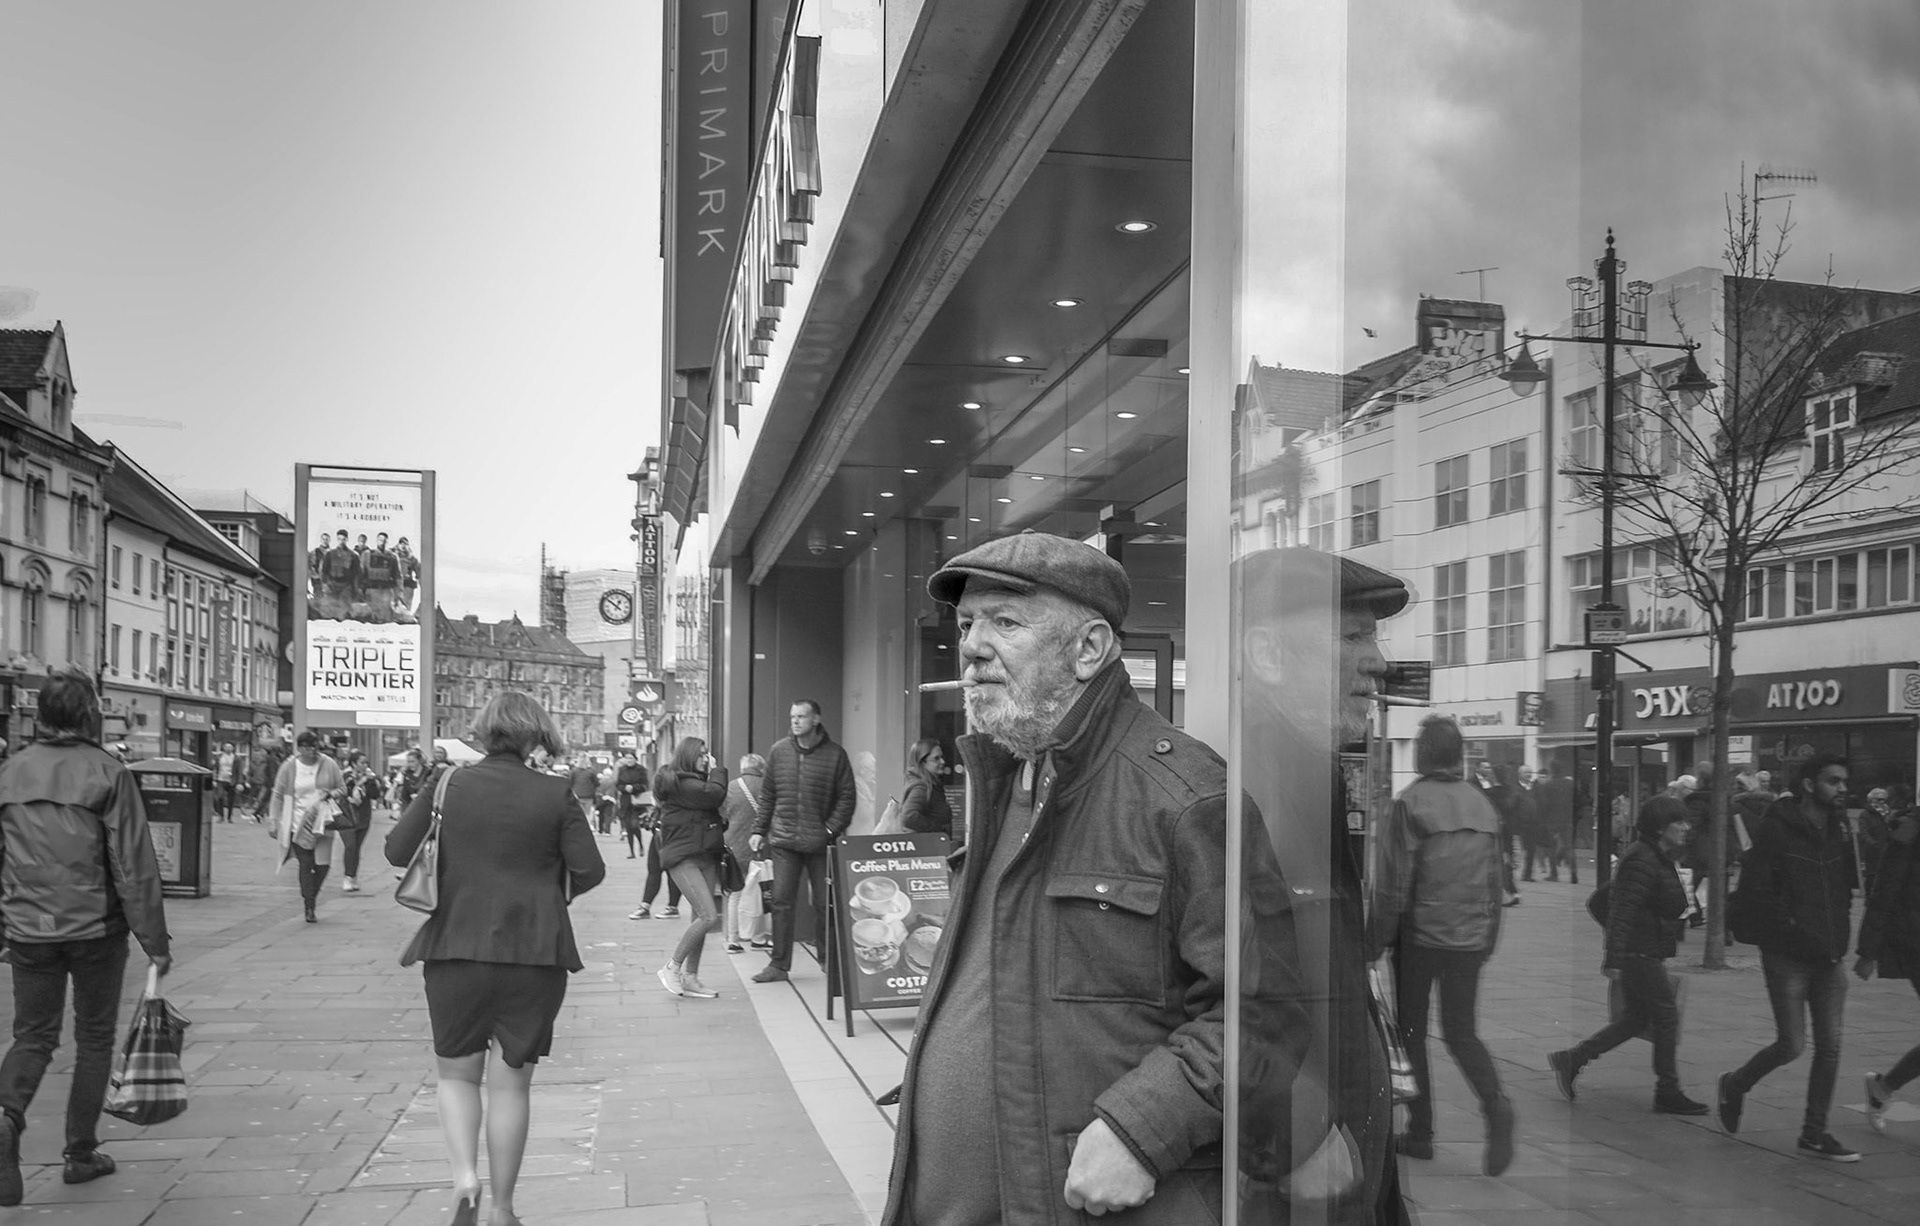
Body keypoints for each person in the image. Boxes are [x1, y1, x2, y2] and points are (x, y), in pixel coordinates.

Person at [884, 532, 1308, 1224]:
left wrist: (1142, 1129)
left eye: (1006, 622)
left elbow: (1264, 1017)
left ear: (1089, 649)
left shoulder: (1186, 798)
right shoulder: (1005, 776)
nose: (972, 646)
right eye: (968, 624)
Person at [1237, 545, 1412, 1222]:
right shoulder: (1251, 796)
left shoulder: (1305, 782)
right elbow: (1211, 997)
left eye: (1373, 635)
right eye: (1352, 635)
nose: (1378, 661)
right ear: (1268, 655)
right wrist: (1299, 1134)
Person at [384, 690, 605, 1226]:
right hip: (534, 953)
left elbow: (396, 851)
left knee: (457, 1076)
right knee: (512, 1082)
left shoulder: (448, 784)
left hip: (454, 948)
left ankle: (464, 1179)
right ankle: (503, 1209)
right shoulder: (557, 795)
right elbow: (591, 870)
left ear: (484, 731)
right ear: (537, 734)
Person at [0, 670, 172, 1206]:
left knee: (33, 1035)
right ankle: (79, 1153)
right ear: (89, 716)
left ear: (42, 716)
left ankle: (6, 1115)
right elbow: (134, 865)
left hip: (29, 928)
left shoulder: (9, 773)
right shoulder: (108, 773)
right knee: (94, 1038)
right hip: (95, 928)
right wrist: (155, 942)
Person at [1369, 714, 1513, 1173]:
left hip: (1419, 939)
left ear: (1423, 754)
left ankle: (1421, 1130)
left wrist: (1372, 942)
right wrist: (1488, 938)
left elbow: (1393, 886)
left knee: (1412, 1032)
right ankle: (1495, 1104)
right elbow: (1496, 882)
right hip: (1469, 938)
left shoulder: (1409, 803)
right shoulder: (1483, 807)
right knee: (1461, 1031)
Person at [1717, 753, 1860, 1161]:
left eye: (1844, 781)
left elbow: (1843, 887)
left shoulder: (1837, 827)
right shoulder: (1776, 830)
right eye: (1834, 781)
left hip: (1829, 956)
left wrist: (1841, 934)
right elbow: (1756, 894)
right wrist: (1793, 932)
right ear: (1810, 784)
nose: (1842, 789)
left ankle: (1814, 1132)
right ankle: (1735, 1084)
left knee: (1830, 1046)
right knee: (1792, 1043)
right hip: (1789, 956)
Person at [1548, 795, 1710, 1115]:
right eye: (1679, 822)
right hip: (1640, 954)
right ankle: (1667, 1091)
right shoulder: (1643, 859)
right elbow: (1621, 910)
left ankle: (1573, 1058)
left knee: (1636, 1018)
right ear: (1662, 827)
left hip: (1645, 951)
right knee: (1665, 1017)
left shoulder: (1656, 856)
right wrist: (1615, 958)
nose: (1686, 827)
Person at [748, 698, 856, 984]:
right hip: (784, 841)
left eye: (801, 716)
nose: (795, 721)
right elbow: (768, 794)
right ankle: (778, 965)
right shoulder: (778, 751)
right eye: (793, 716)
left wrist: (830, 830)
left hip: (820, 844)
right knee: (781, 902)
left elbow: (847, 798)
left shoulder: (835, 755)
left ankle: (828, 960)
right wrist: (758, 830)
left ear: (816, 720)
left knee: (825, 903)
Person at [1858, 796, 1920, 1132]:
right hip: (1915, 941)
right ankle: (1883, 1088)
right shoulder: (1908, 832)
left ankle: (1882, 1088)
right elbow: (1884, 891)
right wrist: (1868, 951)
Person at [651, 738, 729, 999]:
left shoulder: (693, 782)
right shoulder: (681, 783)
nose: (706, 759)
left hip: (705, 854)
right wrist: (718, 771)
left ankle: (691, 977)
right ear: (688, 756)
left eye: (707, 755)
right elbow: (715, 794)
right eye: (701, 755)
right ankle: (672, 967)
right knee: (709, 916)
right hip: (683, 858)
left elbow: (705, 810)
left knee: (700, 918)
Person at [271, 731, 346, 923]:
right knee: (305, 864)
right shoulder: (289, 766)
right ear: (299, 748)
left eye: (314, 746)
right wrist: (274, 820)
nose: (312, 751)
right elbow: (278, 794)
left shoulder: (328, 764)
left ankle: (310, 894)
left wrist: (331, 794)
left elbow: (342, 789)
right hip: (297, 824)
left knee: (322, 866)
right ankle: (309, 906)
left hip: (323, 823)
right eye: (307, 747)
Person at [721, 753, 769, 952]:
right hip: (761, 845)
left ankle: (733, 940)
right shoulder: (767, 786)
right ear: (761, 768)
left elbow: (723, 813)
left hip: (734, 845)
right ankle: (758, 937)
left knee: (735, 893)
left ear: (743, 768)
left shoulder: (730, 788)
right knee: (761, 891)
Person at [337, 749, 382, 893]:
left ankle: (353, 876)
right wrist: (359, 783)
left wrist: (371, 781)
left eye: (366, 763)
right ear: (354, 763)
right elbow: (345, 792)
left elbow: (375, 795)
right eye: (362, 762)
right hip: (346, 815)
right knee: (350, 846)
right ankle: (347, 877)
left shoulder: (369, 778)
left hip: (363, 816)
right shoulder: (345, 776)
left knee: (357, 847)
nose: (365, 765)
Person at [897, 738, 954, 840]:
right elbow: (909, 817)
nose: (942, 761)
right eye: (936, 758)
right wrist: (939, 830)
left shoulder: (929, 785)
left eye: (942, 757)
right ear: (922, 762)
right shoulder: (921, 787)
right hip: (927, 850)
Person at [1536, 764, 1578, 884]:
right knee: (1569, 847)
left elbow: (1543, 804)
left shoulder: (1548, 785)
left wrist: (1543, 819)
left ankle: (1554, 874)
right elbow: (1578, 800)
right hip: (1567, 819)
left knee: (1552, 848)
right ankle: (1573, 873)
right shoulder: (1570, 784)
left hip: (1552, 820)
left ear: (1552, 771)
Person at [566, 757, 599, 828]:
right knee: (588, 813)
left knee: (578, 812)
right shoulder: (591, 771)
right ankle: (587, 826)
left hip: (577, 795)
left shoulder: (574, 771)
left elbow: (570, 782)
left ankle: (578, 826)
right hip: (589, 795)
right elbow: (596, 783)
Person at [215, 741, 239, 821]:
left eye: (230, 747)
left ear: (233, 748)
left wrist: (239, 782)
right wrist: (214, 779)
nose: (228, 748)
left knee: (231, 799)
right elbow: (215, 768)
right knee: (220, 797)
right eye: (227, 747)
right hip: (221, 779)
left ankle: (229, 817)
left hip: (231, 780)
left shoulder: (236, 758)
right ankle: (221, 816)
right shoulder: (219, 757)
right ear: (224, 748)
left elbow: (239, 770)